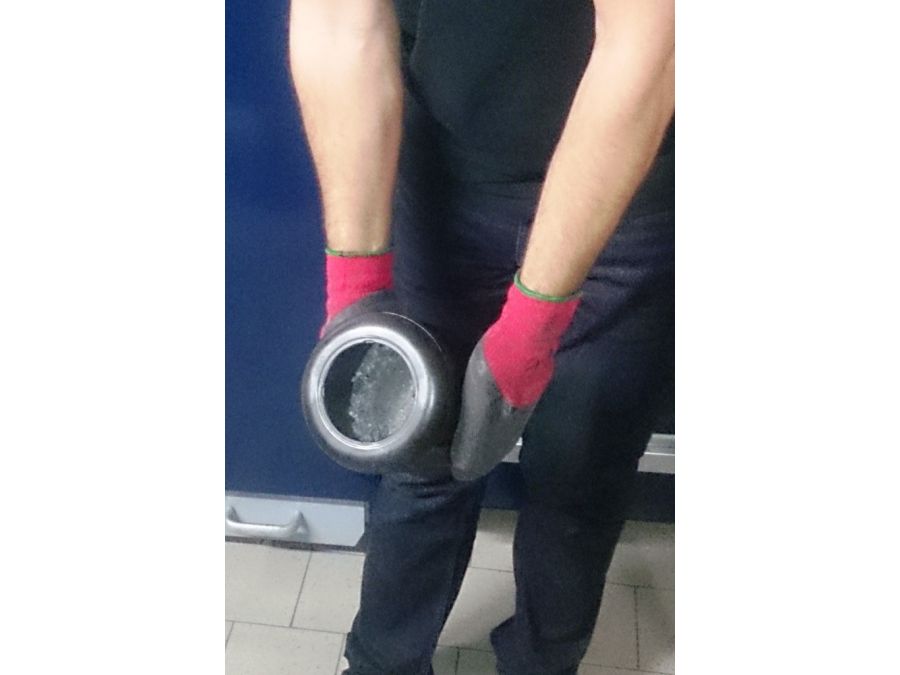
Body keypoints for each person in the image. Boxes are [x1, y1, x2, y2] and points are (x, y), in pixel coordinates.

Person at [289, 0, 674, 672]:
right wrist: (355, 290)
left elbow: (647, 45)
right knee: (420, 452)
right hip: (446, 172)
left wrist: (530, 329)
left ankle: (541, 663)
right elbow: (335, 22)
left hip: (627, 187)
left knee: (580, 471)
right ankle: (381, 663)